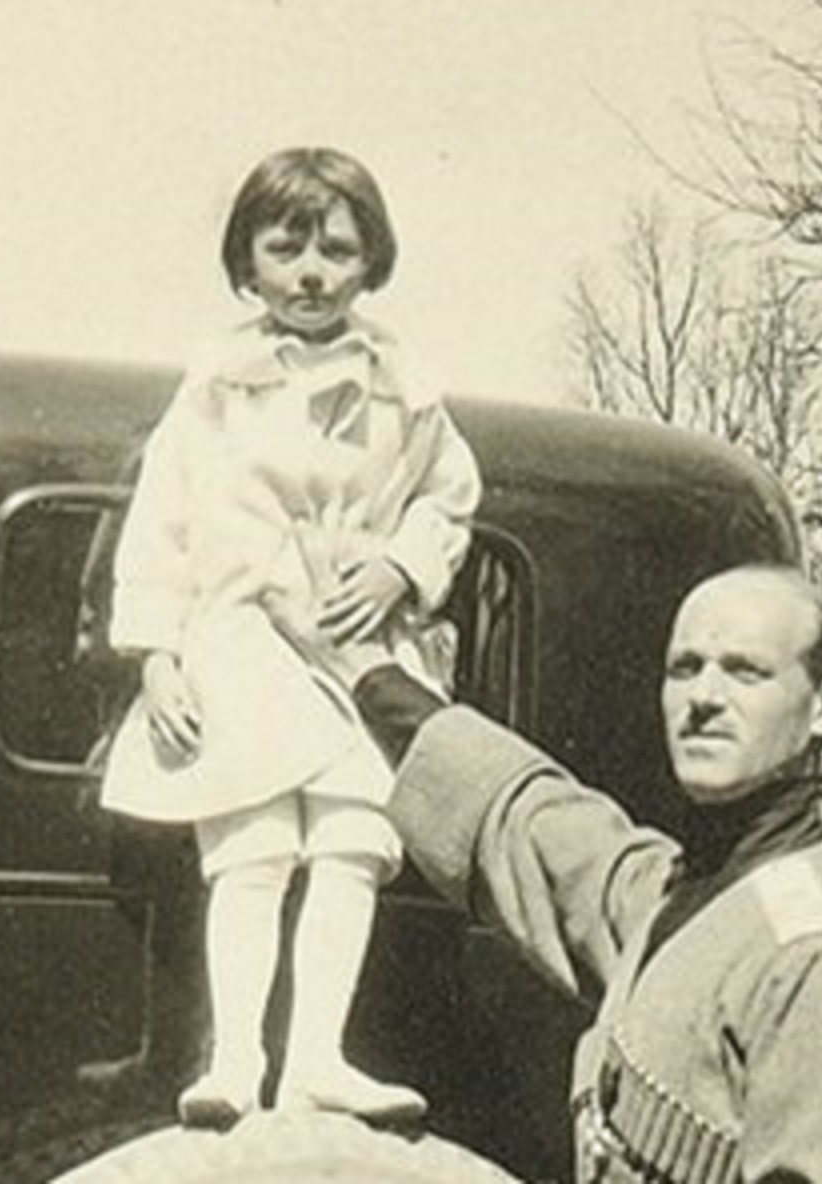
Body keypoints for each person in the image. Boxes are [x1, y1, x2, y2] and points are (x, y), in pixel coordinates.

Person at [273, 562, 822, 1184]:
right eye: (684, 668)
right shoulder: (682, 898)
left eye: (745, 672)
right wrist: (361, 668)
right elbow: (531, 821)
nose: (704, 697)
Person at [98, 146, 482, 1130]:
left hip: (359, 642)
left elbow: (450, 498)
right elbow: (164, 520)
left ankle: (317, 1054)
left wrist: (403, 563)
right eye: (287, 247)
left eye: (339, 249)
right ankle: (236, 1055)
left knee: (355, 835)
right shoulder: (216, 387)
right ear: (250, 262)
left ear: (371, 261)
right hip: (244, 637)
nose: (312, 272)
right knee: (256, 840)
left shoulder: (406, 389)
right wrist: (156, 654)